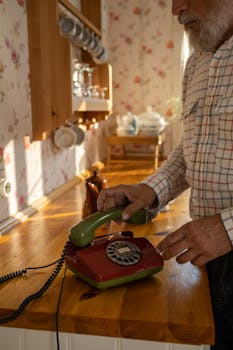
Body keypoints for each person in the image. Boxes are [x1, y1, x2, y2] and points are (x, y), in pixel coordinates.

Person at [97, 1, 233, 349]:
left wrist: (227, 229)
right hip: (208, 253)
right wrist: (149, 189)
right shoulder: (197, 61)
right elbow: (193, 149)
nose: (176, 7)